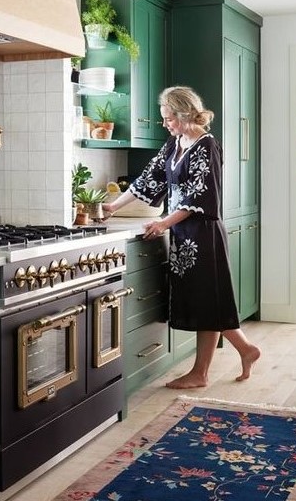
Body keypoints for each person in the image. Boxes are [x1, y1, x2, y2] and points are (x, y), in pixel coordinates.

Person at [103, 86, 260, 389]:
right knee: (205, 301)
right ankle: (246, 350)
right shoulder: (175, 144)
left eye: (168, 118)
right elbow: (149, 179)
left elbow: (201, 195)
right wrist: (112, 206)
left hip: (204, 235)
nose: (165, 124)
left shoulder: (207, 146)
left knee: (209, 301)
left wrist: (162, 223)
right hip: (182, 235)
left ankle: (201, 372)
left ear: (184, 113)